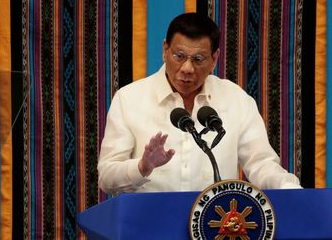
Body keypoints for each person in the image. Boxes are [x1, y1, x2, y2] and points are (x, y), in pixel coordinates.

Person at [98, 12, 301, 194]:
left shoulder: (236, 99)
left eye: (198, 59)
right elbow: (106, 178)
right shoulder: (129, 99)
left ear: (214, 59)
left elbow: (261, 164)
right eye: (179, 56)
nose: (187, 68)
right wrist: (142, 167)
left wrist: (291, 189)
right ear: (165, 50)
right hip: (146, 226)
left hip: (215, 226)